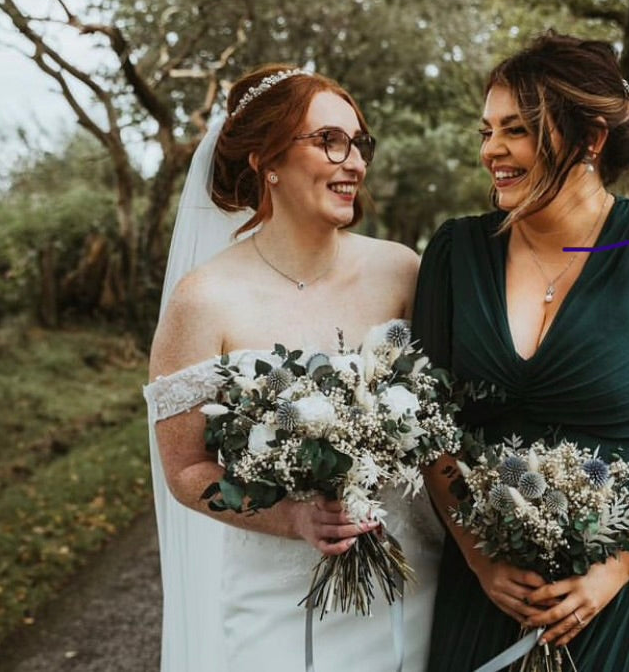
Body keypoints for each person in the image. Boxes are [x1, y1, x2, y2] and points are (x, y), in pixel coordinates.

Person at [413, 33, 629, 671]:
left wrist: (616, 566)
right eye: (487, 131)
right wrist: (482, 560)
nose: (491, 150)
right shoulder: (456, 254)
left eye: (516, 130)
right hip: (490, 594)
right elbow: (431, 428)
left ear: (590, 138)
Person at [144, 64, 440, 672]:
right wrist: (293, 516)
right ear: (266, 161)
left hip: (414, 583)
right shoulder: (204, 300)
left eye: (359, 143)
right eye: (330, 140)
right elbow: (186, 470)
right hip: (281, 605)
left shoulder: (401, 271)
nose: (353, 162)